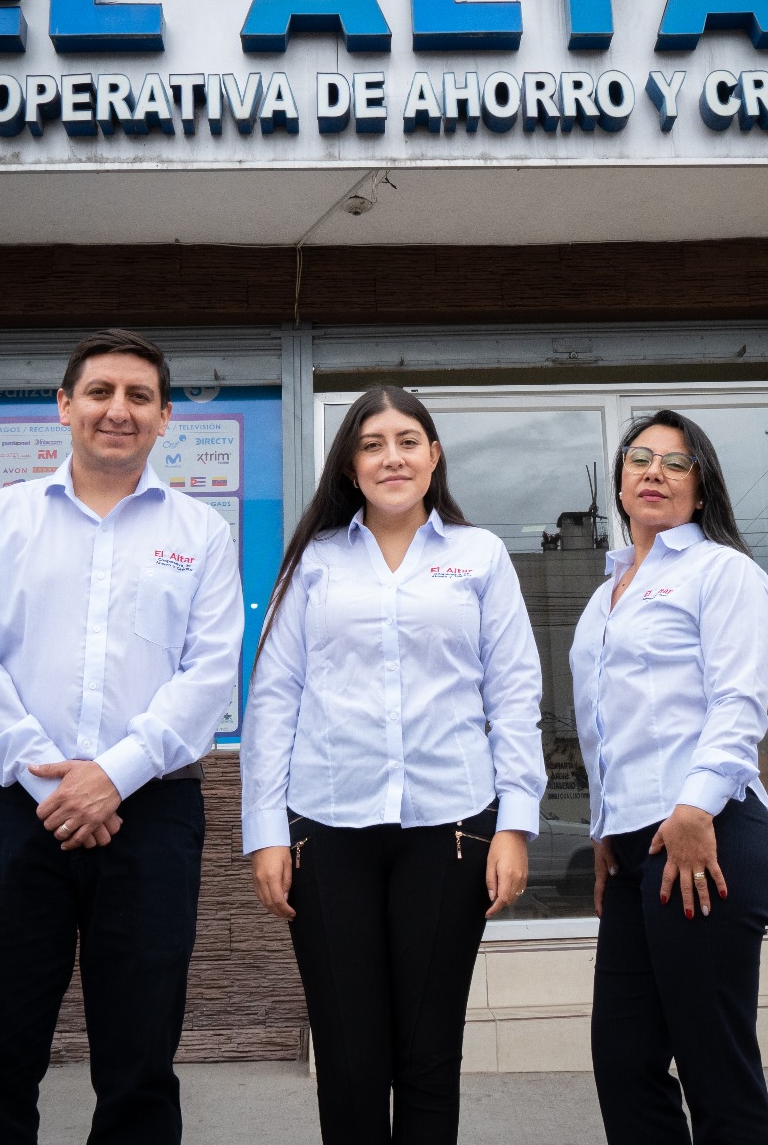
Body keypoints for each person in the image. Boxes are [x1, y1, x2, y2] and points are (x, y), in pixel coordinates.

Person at [0, 328, 243, 1145]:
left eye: (139, 397)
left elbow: (209, 674)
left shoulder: (202, 534)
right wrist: (61, 788)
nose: (119, 410)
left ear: (166, 418)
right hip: (14, 810)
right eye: (102, 392)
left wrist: (114, 776)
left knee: (140, 1056)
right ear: (66, 406)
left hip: (152, 816)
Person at [241, 385, 546, 1145]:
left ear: (434, 455)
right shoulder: (314, 561)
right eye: (373, 443)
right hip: (327, 827)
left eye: (408, 440)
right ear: (351, 465)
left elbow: (514, 694)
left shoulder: (479, 557)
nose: (392, 456)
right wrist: (265, 832)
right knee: (348, 1058)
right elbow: (274, 698)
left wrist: (514, 825)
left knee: (428, 1053)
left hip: (451, 825)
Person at [570, 409, 768, 1145]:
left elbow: (738, 703)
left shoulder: (723, 571)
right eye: (638, 460)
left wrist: (693, 811)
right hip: (635, 851)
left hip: (707, 836)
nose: (653, 473)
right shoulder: (603, 598)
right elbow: (606, 728)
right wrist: (605, 829)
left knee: (715, 1070)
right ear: (621, 484)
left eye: (675, 462)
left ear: (700, 488)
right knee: (623, 1066)